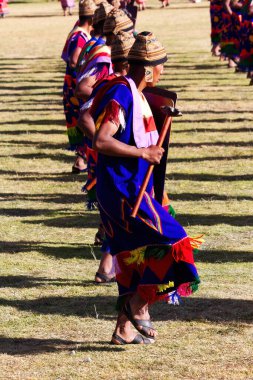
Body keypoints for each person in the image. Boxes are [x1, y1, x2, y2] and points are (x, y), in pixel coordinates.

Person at [91, 32, 202, 344]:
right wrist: (143, 153)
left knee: (130, 257)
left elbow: (132, 128)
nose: (163, 71)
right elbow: (102, 139)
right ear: (148, 68)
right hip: (125, 193)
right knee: (175, 242)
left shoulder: (134, 93)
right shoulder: (122, 94)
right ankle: (138, 304)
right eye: (161, 66)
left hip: (125, 189)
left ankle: (123, 330)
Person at [78, 31, 135, 284]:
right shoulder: (119, 89)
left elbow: (85, 118)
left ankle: (109, 267)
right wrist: (104, 146)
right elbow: (87, 119)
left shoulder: (108, 83)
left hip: (113, 165)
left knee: (115, 216)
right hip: (124, 167)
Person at [61, 0, 96, 173]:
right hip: (77, 86)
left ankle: (82, 159)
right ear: (91, 18)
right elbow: (74, 60)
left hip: (72, 85)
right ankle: (81, 160)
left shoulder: (75, 31)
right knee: (85, 120)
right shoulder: (80, 36)